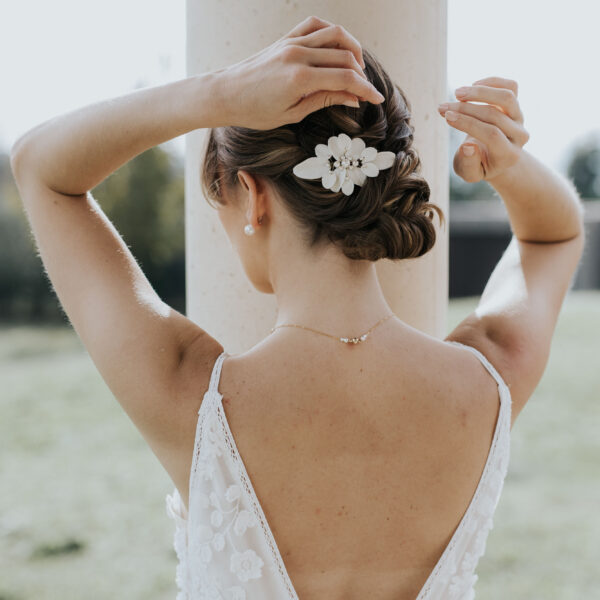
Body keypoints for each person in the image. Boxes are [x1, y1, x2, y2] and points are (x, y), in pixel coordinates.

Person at [10, 14, 585, 600]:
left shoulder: (189, 396)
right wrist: (508, 166)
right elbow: (554, 237)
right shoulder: (490, 378)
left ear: (252, 196)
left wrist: (217, 93)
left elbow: (42, 167)